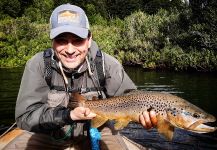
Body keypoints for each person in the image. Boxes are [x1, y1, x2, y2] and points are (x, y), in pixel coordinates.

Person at [6, 3, 157, 150]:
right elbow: (26, 117)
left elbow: (131, 97)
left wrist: (144, 116)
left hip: (98, 130)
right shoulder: (38, 65)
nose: (70, 50)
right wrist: (67, 115)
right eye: (61, 40)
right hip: (49, 134)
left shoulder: (107, 65)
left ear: (89, 39)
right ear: (52, 42)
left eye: (78, 40)